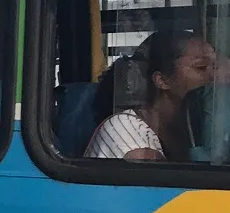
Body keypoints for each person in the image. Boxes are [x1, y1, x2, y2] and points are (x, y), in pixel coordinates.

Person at [85, 29, 217, 161]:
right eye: (201, 67)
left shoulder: (190, 129)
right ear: (162, 80)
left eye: (215, 67)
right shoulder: (125, 129)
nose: (213, 77)